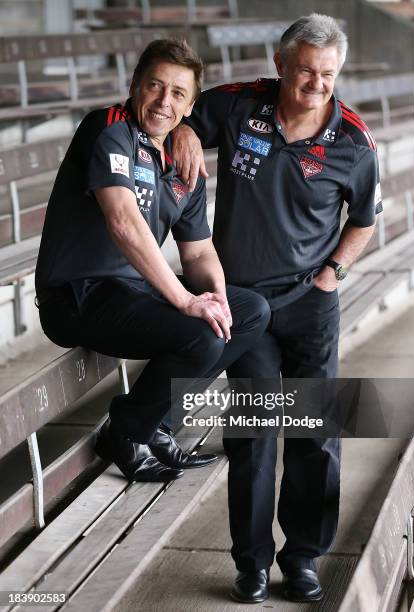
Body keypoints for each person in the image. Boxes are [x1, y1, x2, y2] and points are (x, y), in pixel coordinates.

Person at [171, 14, 382, 603]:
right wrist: (186, 129)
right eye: (307, 71)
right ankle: (252, 562)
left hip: (310, 304)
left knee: (315, 434)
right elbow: (176, 115)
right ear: (280, 64)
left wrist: (331, 275)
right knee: (255, 436)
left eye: (329, 74)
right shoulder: (239, 107)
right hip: (246, 308)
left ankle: (304, 558)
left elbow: (363, 222)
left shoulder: (354, 143)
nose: (318, 84)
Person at [35, 39, 270, 484]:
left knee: (248, 312)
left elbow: (198, 251)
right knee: (200, 337)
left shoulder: (183, 164)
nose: (164, 101)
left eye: (178, 93)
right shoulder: (107, 129)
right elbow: (122, 220)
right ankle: (125, 432)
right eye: (155, 87)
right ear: (135, 85)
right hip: (77, 294)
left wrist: (216, 298)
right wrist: (185, 300)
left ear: (191, 104)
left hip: (131, 291)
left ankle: (153, 425)